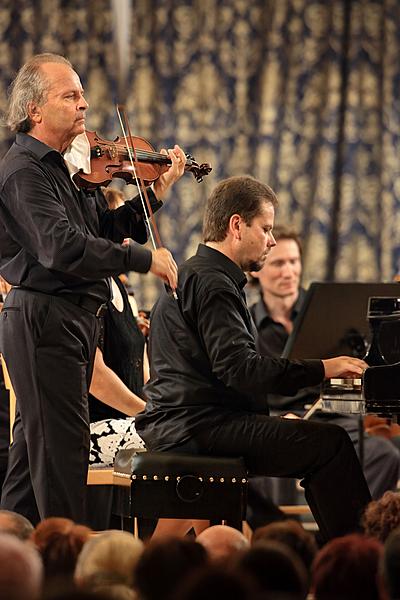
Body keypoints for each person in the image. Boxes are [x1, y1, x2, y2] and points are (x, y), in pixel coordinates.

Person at [0, 52, 185, 525]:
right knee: (62, 461)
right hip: (46, 319)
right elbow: (62, 248)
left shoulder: (64, 168)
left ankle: (13, 565)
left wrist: (154, 194)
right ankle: (66, 571)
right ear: (35, 110)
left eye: (83, 94)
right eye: (71, 95)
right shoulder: (24, 170)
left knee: (29, 464)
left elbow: (101, 229)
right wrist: (144, 259)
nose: (84, 104)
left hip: (71, 321)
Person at [135, 175, 372, 543]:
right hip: (199, 429)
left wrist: (274, 421)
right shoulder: (214, 283)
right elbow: (240, 370)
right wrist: (325, 368)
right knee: (332, 445)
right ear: (236, 226)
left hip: (186, 422)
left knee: (318, 440)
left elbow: (215, 379)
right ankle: (359, 562)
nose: (272, 240)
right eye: (266, 229)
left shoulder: (195, 274)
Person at [249, 225, 400, 500]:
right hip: (279, 420)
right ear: (258, 269)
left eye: (294, 262)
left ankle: (352, 531)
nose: (288, 272)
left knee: (385, 456)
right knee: (260, 470)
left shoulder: (326, 311)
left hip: (334, 415)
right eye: (278, 263)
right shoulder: (246, 323)